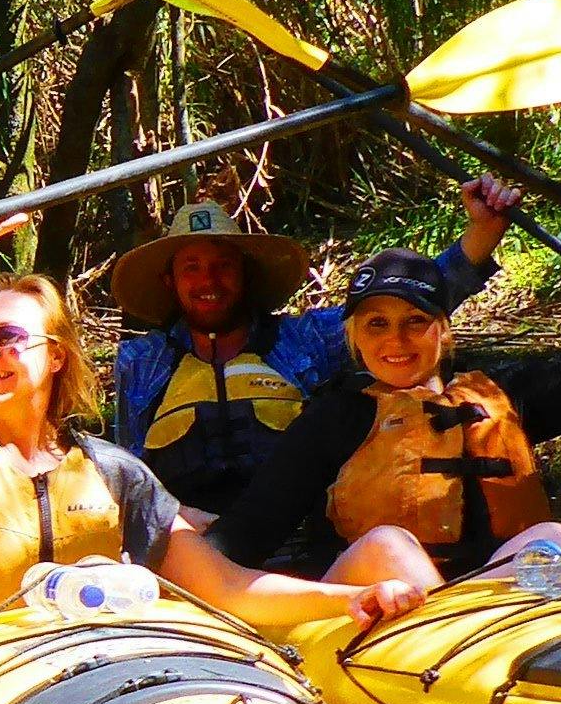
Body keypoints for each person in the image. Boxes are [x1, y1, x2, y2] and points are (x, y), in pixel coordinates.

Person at [0, 192, 422, 642]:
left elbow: (227, 589)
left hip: (94, 679)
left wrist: (351, 598)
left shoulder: (115, 474)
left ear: (56, 356)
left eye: (9, 337)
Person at [213, 226, 561, 592]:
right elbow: (250, 532)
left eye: (415, 321)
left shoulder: (501, 394)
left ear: (443, 330)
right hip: (373, 604)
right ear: (354, 337)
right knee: (389, 547)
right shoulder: (333, 417)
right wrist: (182, 549)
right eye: (377, 324)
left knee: (556, 540)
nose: (396, 341)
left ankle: (488, 629)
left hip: (482, 610)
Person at [104, 180, 516, 518]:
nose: (208, 281)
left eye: (223, 266)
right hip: (191, 544)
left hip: (299, 536)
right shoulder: (141, 361)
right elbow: (128, 471)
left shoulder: (304, 340)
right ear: (171, 282)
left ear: (246, 275)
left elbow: (409, 295)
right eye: (191, 268)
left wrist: (483, 232)